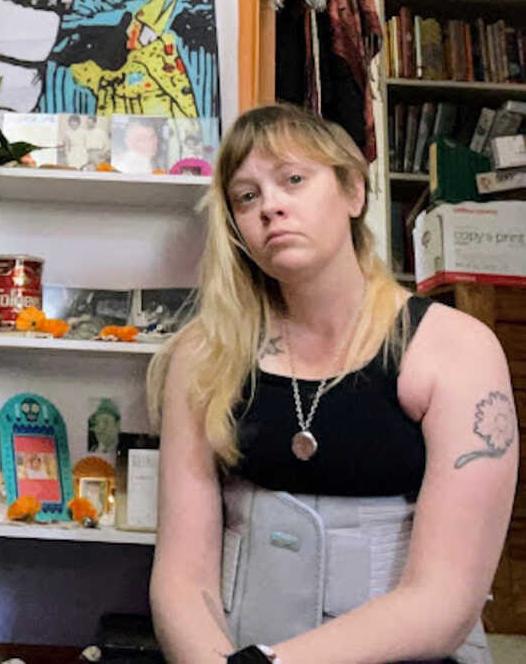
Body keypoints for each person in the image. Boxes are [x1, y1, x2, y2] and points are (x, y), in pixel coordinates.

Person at [146, 104, 517, 664]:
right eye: (246, 197)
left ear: (353, 194)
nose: (270, 206)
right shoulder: (203, 357)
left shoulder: (456, 350)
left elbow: (445, 601)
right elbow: (182, 577)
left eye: (294, 179)